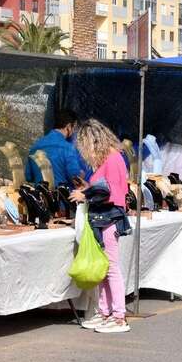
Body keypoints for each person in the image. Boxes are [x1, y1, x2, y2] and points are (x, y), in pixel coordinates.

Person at [70, 119, 131, 334]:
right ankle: (106, 312)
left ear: (92, 141)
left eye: (84, 145)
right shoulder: (111, 158)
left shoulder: (112, 159)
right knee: (105, 268)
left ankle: (119, 317)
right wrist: (88, 189)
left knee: (111, 268)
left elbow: (111, 193)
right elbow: (108, 189)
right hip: (104, 218)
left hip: (109, 218)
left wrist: (85, 195)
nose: (85, 152)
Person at [25, 109, 86, 187]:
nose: (74, 131)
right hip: (61, 193)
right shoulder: (68, 148)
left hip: (39, 193)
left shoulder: (35, 146)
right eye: (74, 127)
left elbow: (28, 176)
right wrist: (82, 174)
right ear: (68, 126)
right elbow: (76, 178)